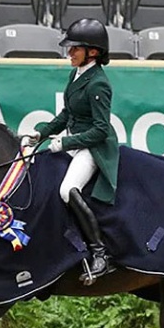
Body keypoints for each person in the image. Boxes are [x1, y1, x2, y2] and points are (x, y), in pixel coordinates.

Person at [29, 18, 120, 285]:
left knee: (67, 190)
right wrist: (42, 133)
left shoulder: (98, 84)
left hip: (93, 147)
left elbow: (101, 130)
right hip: (75, 141)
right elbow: (67, 113)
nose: (69, 53)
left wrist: (66, 143)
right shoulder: (76, 74)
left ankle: (100, 255)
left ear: (92, 52)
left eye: (75, 49)